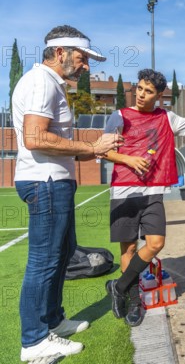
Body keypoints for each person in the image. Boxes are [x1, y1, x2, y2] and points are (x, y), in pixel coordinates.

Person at [13, 24, 123, 362]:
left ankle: (53, 321)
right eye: (82, 57)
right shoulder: (39, 82)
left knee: (61, 257)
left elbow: (55, 142)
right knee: (43, 262)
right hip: (44, 183)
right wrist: (92, 145)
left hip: (55, 182)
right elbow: (36, 138)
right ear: (59, 53)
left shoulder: (51, 84)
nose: (87, 65)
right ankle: (33, 342)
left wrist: (94, 149)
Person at [104, 69, 185, 327]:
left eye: (148, 92)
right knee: (129, 248)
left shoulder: (167, 117)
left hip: (153, 191)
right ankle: (135, 300)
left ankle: (118, 286)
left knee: (156, 243)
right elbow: (104, 151)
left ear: (158, 96)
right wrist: (128, 158)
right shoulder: (119, 116)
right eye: (140, 89)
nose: (141, 95)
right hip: (125, 190)